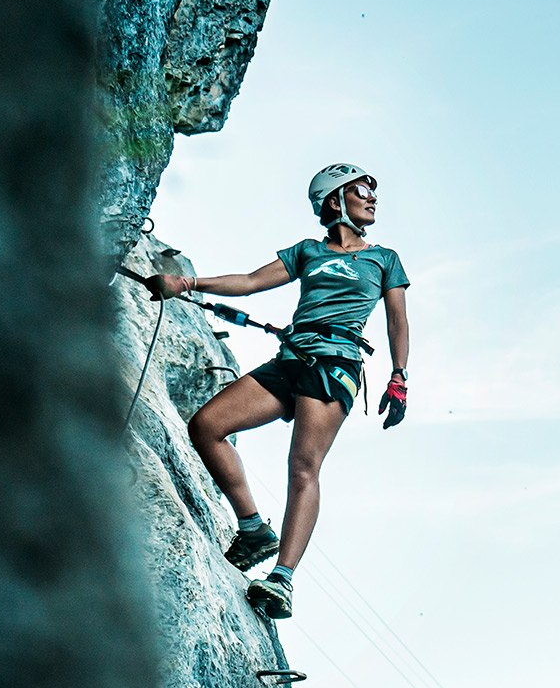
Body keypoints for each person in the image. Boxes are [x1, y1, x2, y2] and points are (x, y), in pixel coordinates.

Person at [143, 163, 410, 619]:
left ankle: (282, 579)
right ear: (335, 200)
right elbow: (249, 283)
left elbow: (396, 320)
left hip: (335, 365)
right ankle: (252, 530)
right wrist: (185, 283)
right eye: (363, 189)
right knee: (207, 426)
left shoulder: (384, 259)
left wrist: (399, 376)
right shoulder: (308, 251)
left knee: (302, 467)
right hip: (291, 359)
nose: (373, 197)